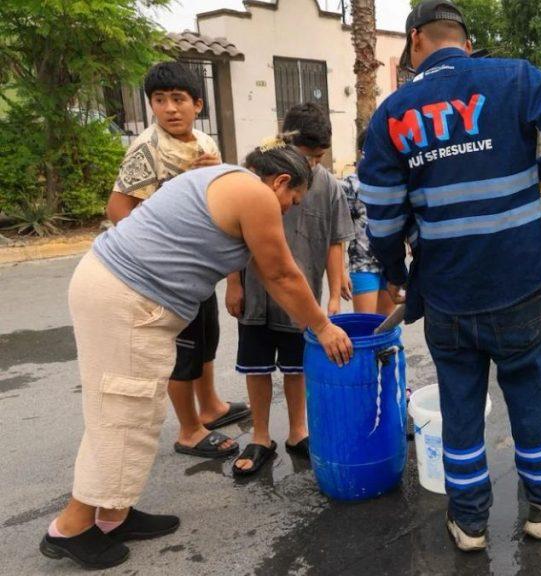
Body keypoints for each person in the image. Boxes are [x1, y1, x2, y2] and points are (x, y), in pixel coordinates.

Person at [359, 0, 541, 552]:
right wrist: (540, 173)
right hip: (520, 286)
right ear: (465, 42)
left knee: (460, 406)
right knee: (529, 398)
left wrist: (396, 272)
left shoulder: (392, 113)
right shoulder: (515, 78)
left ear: (416, 41)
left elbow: (381, 211)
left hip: (446, 295)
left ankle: (469, 523)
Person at [41, 142, 353, 570]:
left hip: (115, 288)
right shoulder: (256, 194)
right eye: (292, 200)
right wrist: (322, 325)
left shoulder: (227, 178)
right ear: (281, 181)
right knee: (124, 411)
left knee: (125, 408)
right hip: (127, 297)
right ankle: (72, 527)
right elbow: (281, 273)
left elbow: (269, 269)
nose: (288, 209)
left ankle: (113, 513)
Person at [106, 61, 249, 460]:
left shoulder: (205, 145)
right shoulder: (147, 148)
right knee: (181, 350)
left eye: (178, 99)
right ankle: (188, 429)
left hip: (198, 267)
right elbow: (118, 208)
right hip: (166, 272)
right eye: (160, 100)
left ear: (197, 104)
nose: (170, 108)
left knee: (206, 340)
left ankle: (212, 407)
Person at [226, 104, 356, 476]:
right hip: (256, 293)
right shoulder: (256, 178)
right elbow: (234, 238)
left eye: (319, 158)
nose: (312, 165)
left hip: (301, 296)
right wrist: (234, 282)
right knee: (257, 365)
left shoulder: (328, 185)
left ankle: (298, 431)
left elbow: (334, 240)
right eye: (307, 156)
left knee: (297, 366)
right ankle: (261, 435)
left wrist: (333, 291)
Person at [342, 130, 397, 316]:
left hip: (391, 265)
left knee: (386, 329)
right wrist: (340, 272)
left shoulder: (392, 181)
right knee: (367, 328)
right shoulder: (350, 185)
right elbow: (338, 232)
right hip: (363, 265)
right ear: (362, 152)